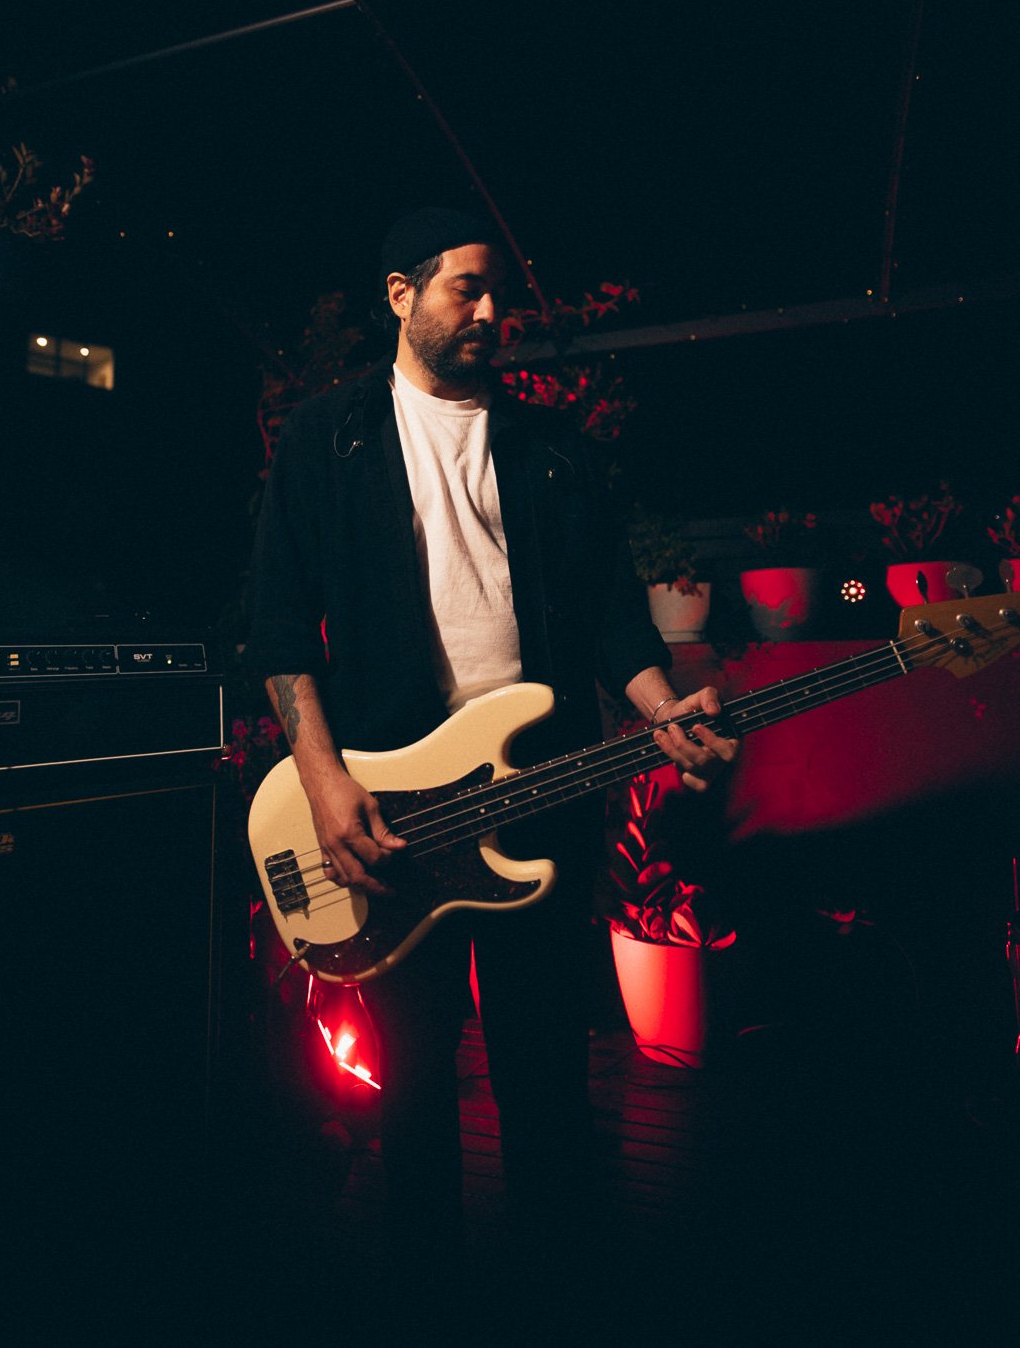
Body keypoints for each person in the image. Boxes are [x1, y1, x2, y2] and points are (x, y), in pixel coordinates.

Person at [244, 206, 738, 1264]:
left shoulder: (551, 446)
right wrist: (327, 785)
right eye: (466, 288)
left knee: (546, 1075)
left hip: (546, 792)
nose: (489, 311)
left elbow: (610, 614)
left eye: (498, 294)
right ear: (399, 294)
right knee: (416, 1088)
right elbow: (280, 629)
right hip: (395, 807)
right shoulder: (328, 437)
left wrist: (665, 712)